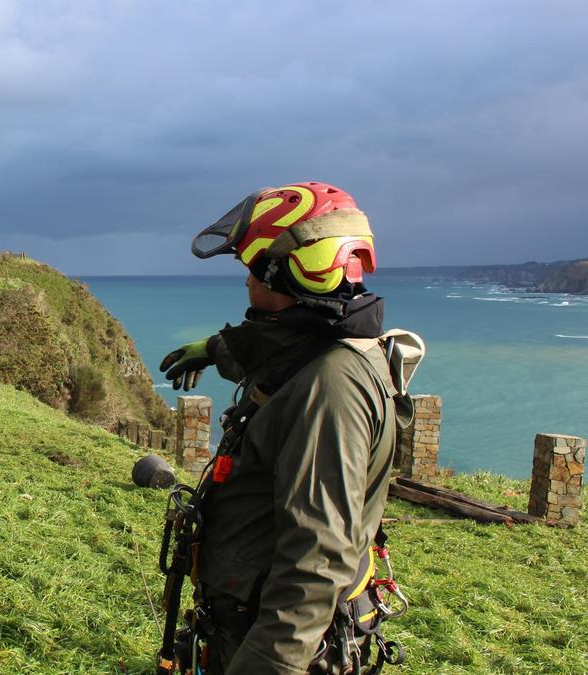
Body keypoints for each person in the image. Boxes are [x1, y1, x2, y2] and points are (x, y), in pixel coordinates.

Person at [157, 182, 415, 674]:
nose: (247, 284)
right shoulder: (326, 350)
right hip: (243, 623)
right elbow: (277, 361)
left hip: (278, 643)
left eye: (254, 269)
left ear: (285, 274)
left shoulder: (328, 391)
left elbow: (315, 565)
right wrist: (217, 351)